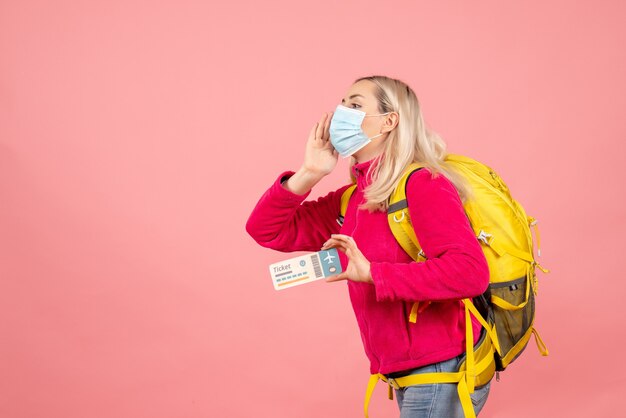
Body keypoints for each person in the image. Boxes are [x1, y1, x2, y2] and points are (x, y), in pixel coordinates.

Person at [245, 75, 492, 417]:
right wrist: (310, 172)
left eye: (356, 105)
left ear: (389, 121)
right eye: (342, 103)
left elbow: (470, 273)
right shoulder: (353, 199)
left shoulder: (423, 185)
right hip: (409, 373)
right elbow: (266, 230)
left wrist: (374, 274)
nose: (341, 112)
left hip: (440, 370)